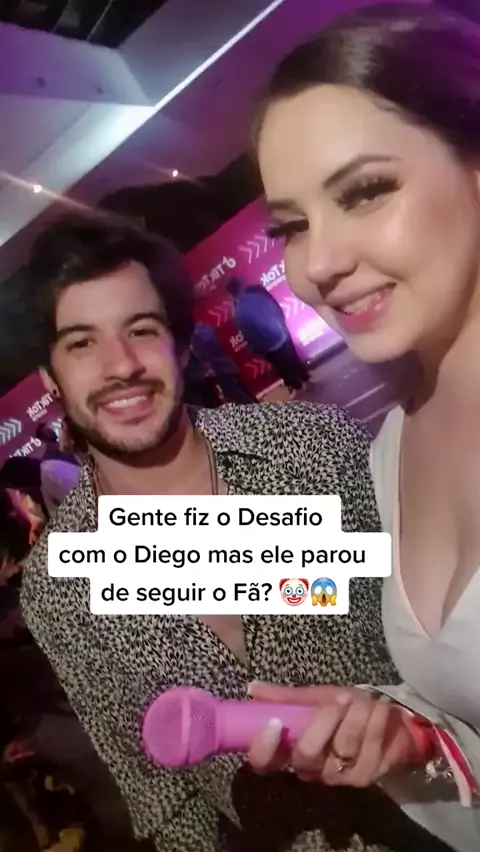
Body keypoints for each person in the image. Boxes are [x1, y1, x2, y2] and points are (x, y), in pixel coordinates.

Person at [20, 212, 446, 852]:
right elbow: (159, 797)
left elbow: (443, 632)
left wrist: (410, 728)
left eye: (142, 330)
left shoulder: (311, 449)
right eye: (81, 343)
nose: (121, 366)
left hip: (440, 806)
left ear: (181, 345)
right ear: (51, 377)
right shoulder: (58, 587)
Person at [251, 3, 480, 851]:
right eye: (292, 226)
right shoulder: (390, 451)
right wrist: (414, 743)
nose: (318, 263)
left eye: (366, 191)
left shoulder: (308, 446)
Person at [227, 277, 310, 391]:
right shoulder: (258, 293)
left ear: (231, 295)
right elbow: (275, 307)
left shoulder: (239, 313)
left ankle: (298, 387)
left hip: (268, 345)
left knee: (283, 367)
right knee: (293, 358)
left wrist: (255, 349)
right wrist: (282, 324)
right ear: (242, 285)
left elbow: (250, 335)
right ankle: (306, 378)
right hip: (281, 331)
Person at [190, 322, 257, 404]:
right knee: (246, 394)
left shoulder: (195, 336)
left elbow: (204, 356)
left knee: (242, 399)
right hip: (229, 365)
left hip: (220, 371)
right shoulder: (203, 327)